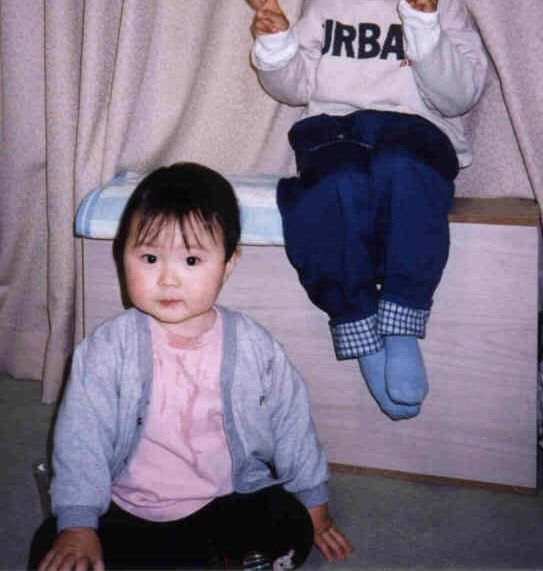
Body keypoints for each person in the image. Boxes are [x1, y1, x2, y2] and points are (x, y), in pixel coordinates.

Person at [237, 0, 488, 421]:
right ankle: (358, 325)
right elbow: (296, 87)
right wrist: (277, 45)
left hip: (415, 133)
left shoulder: (442, 2)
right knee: (333, 190)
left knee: (403, 170)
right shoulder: (328, 4)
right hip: (336, 132)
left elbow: (461, 95)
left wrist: (424, 27)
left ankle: (401, 320)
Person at [29, 163, 353, 570]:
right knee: (52, 545)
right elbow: (81, 439)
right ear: (122, 256)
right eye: (150, 258)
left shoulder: (255, 346)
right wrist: (78, 523)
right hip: (128, 509)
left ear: (228, 264)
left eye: (192, 260)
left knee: (289, 523)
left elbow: (293, 425)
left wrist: (315, 505)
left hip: (225, 501)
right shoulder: (106, 350)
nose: (168, 279)